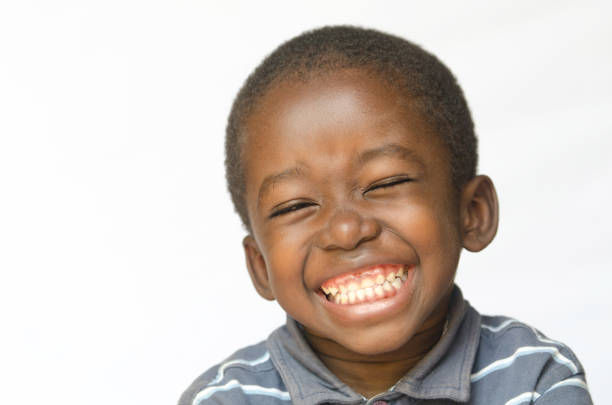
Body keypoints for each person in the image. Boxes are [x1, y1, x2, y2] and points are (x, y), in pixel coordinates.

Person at [178, 26, 592, 405]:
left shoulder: (535, 377)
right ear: (260, 266)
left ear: (472, 212)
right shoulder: (225, 399)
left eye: (385, 183)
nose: (345, 229)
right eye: (295, 206)